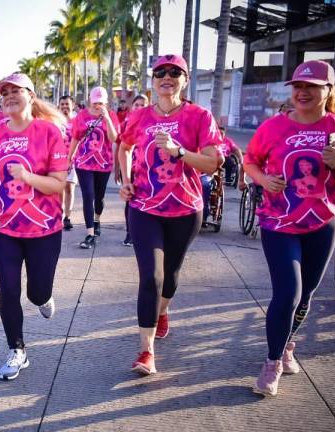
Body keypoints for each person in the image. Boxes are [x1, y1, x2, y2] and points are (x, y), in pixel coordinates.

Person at [117, 54, 222, 375]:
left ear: (185, 79)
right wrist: (127, 179)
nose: (167, 77)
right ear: (152, 80)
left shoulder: (199, 116)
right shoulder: (140, 116)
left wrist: (179, 151)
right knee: (152, 276)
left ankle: (163, 312)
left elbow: (212, 163)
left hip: (186, 208)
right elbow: (123, 146)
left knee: (171, 275)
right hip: (144, 208)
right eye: (160, 72)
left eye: (175, 72)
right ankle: (146, 351)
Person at [244, 60, 335, 397]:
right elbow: (250, 160)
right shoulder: (273, 127)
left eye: (312, 87)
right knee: (289, 293)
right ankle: (272, 362)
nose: (303, 92)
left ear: (327, 91)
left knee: (308, 294)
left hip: (323, 223)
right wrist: (263, 179)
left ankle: (287, 347)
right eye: (299, 86)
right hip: (279, 222)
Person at [0, 73, 68, 381]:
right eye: (4, 93)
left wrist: (28, 177)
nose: (8, 96)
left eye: (15, 91)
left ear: (31, 95)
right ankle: (17, 350)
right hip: (4, 226)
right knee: (7, 291)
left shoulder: (49, 132)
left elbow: (58, 184)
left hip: (43, 228)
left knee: (36, 291)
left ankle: (43, 297)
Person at [70, 86, 120, 249]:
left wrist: (107, 119)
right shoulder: (82, 116)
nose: (97, 105)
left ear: (105, 102)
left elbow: (113, 138)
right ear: (90, 101)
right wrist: (69, 157)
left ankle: (97, 219)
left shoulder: (111, 115)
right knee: (88, 196)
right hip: (83, 162)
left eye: (101, 102)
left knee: (99, 197)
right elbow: (75, 138)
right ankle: (90, 234)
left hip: (103, 163)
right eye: (95, 102)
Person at [115, 94, 147, 246]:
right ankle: (130, 233)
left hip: (146, 170)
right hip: (130, 169)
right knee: (130, 201)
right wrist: (117, 170)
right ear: (131, 106)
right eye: (137, 104)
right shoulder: (125, 123)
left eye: (143, 105)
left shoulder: (151, 123)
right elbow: (120, 148)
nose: (139, 108)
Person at [58, 95, 78, 230]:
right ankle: (58, 214)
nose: (65, 107)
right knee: (60, 189)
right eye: (62, 104)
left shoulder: (78, 120)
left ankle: (67, 217)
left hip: (74, 160)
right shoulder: (55, 120)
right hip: (58, 160)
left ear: (73, 105)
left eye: (67, 104)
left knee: (69, 188)